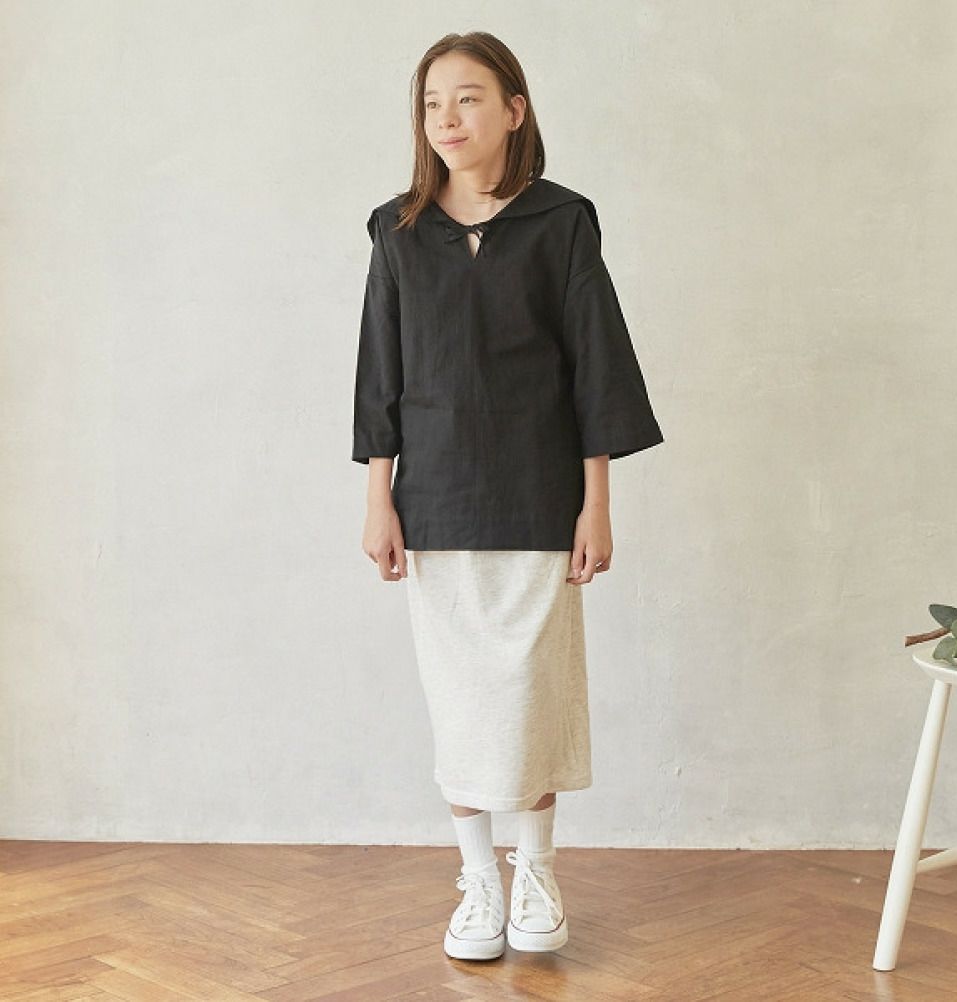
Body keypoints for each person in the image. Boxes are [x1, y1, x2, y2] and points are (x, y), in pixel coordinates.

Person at [352, 31, 664, 962]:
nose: (447, 119)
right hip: (437, 501)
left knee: (531, 696)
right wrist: (378, 498)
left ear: (515, 109)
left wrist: (596, 503)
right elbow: (380, 374)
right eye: (432, 103)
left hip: (539, 495)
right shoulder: (397, 231)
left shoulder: (562, 221)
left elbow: (596, 367)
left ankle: (536, 872)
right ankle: (477, 882)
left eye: (469, 98)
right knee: (461, 702)